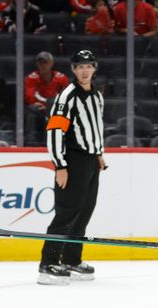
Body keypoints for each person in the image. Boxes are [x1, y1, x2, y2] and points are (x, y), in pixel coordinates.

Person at [39, 49, 106, 285]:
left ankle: (70, 259)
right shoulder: (67, 96)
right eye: (80, 66)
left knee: (84, 210)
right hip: (72, 160)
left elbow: (96, 126)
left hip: (91, 160)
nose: (85, 70)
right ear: (73, 70)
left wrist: (99, 153)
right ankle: (48, 264)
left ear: (94, 68)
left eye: (88, 66)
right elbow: (55, 131)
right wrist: (60, 165)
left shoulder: (97, 95)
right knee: (67, 211)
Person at [25, 51, 70, 145]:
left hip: (56, 109)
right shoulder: (31, 78)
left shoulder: (61, 78)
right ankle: (30, 142)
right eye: (39, 62)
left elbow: (67, 97)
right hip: (38, 110)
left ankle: (58, 142)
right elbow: (30, 98)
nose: (42, 65)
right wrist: (46, 107)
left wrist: (50, 107)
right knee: (31, 113)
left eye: (45, 62)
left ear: (51, 63)